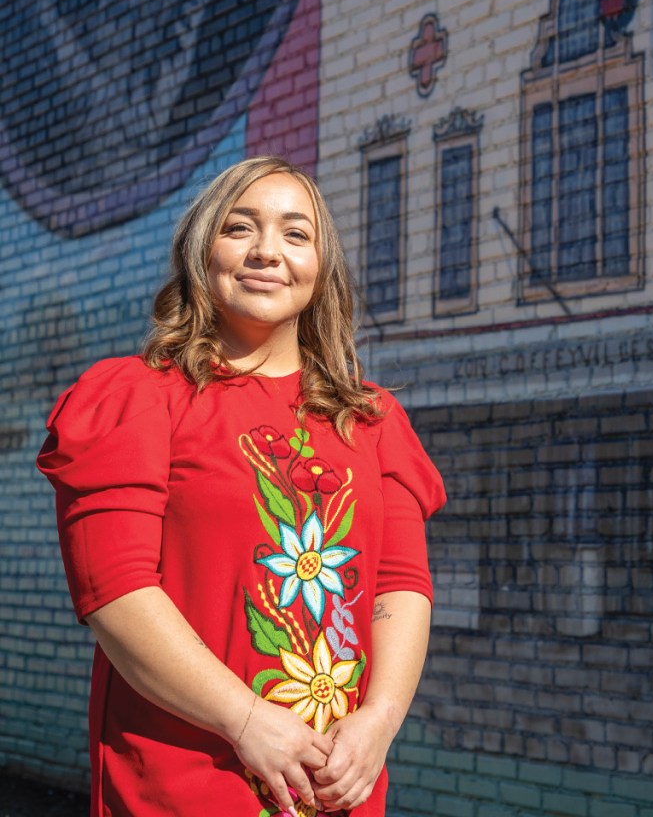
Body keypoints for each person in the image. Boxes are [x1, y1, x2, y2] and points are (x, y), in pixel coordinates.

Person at [38, 157, 446, 817]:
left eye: (295, 234)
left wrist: (379, 723)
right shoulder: (139, 399)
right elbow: (117, 595)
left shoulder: (371, 421)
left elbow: (402, 585)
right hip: (183, 784)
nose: (266, 251)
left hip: (335, 784)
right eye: (239, 227)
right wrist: (248, 721)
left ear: (322, 266)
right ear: (203, 249)